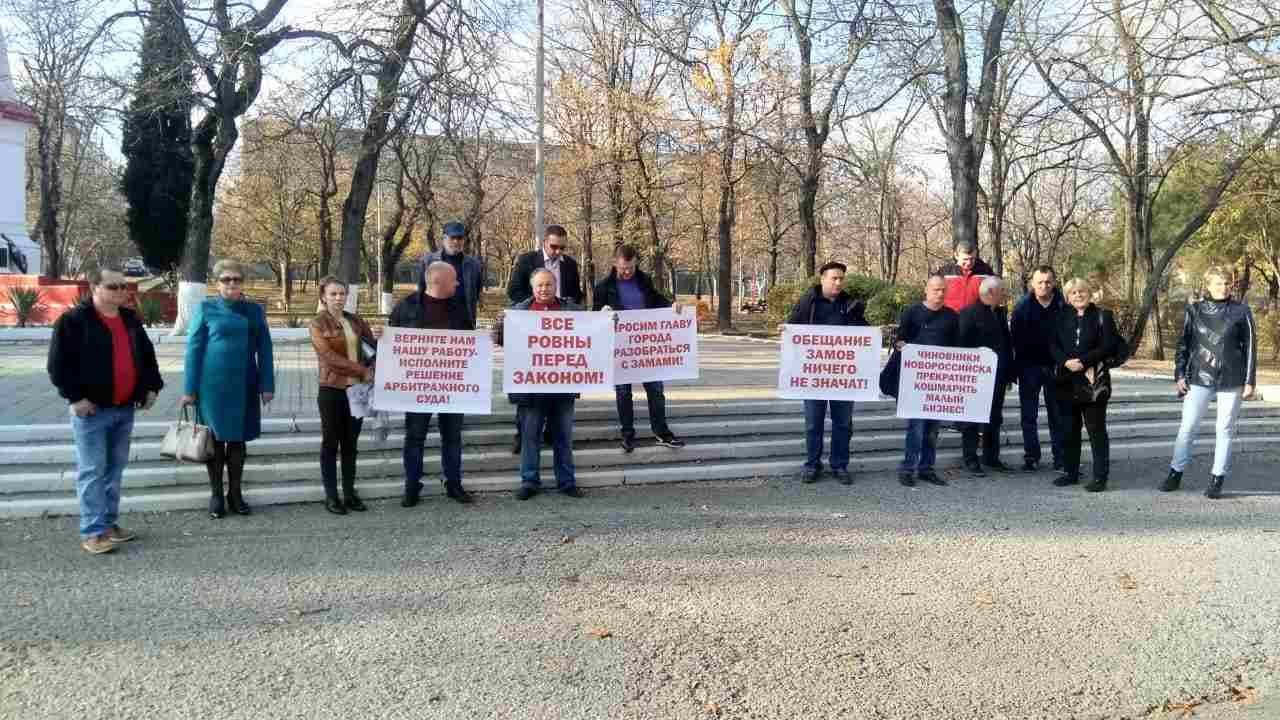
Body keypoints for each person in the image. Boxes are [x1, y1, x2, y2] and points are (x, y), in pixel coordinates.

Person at [48, 266, 163, 554]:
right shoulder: (74, 321)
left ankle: (109, 525)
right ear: (95, 288)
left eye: (124, 286)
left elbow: (147, 357)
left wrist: (152, 388)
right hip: (92, 411)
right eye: (114, 287)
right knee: (92, 471)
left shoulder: (129, 319)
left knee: (114, 470)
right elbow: (58, 365)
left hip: (124, 408)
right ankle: (93, 531)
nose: (122, 291)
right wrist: (75, 398)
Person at [181, 259, 275, 519]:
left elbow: (265, 349)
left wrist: (267, 384)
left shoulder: (254, 311)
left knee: (237, 441)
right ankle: (216, 495)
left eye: (236, 279)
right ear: (216, 282)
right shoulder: (205, 308)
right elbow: (193, 351)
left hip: (245, 384)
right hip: (212, 387)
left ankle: (235, 493)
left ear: (242, 282)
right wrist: (189, 389)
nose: (231, 284)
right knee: (215, 442)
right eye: (226, 279)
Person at [494, 268, 591, 500]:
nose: (544, 289)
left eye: (548, 284)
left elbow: (594, 331)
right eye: (540, 285)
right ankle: (529, 481)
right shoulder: (518, 312)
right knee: (530, 437)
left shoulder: (571, 310)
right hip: (530, 389)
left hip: (563, 386)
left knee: (563, 438)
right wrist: (500, 324)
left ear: (555, 285)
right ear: (532, 287)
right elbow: (501, 341)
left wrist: (608, 318)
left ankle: (566, 482)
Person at [1161, 266, 1257, 499]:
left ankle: (1217, 478)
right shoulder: (1194, 310)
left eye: (1226, 283)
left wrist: (1249, 380)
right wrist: (1180, 374)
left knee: (1224, 429)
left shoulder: (1242, 311)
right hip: (1199, 376)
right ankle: (1175, 472)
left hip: (1232, 377)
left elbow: (1251, 348)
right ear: (1207, 285)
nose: (1222, 287)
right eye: (1217, 283)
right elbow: (1183, 344)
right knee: (1188, 427)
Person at [387, 261, 475, 506]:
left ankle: (454, 484)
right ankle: (412, 486)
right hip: (417, 387)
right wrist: (383, 338)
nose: (458, 283)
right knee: (414, 437)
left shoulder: (459, 308)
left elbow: (470, 344)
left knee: (453, 437)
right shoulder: (406, 307)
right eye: (454, 279)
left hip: (452, 387)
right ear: (438, 281)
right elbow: (393, 342)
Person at [592, 244, 686, 452]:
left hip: (646, 346)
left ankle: (662, 432)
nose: (627, 272)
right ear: (615, 263)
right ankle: (627, 434)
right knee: (623, 393)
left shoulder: (644, 279)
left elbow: (655, 298)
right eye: (624, 268)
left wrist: (671, 305)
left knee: (656, 390)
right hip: (620, 348)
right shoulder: (603, 287)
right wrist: (603, 312)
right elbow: (595, 316)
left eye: (631, 268)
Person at [787, 261, 867, 485]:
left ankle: (839, 465)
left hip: (843, 377)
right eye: (834, 278)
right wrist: (784, 331)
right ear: (822, 279)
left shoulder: (851, 304)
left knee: (843, 424)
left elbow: (863, 333)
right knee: (814, 423)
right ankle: (812, 465)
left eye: (841, 278)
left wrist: (874, 334)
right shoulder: (807, 303)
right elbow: (792, 328)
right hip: (815, 377)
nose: (838, 282)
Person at [506, 224, 583, 454]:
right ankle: (523, 434)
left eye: (562, 247)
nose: (558, 252)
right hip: (532, 329)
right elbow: (514, 290)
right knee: (529, 386)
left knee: (559, 381)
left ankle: (553, 433)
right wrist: (535, 305)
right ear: (544, 243)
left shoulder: (569, 264)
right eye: (554, 247)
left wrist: (568, 304)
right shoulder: (527, 259)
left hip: (560, 332)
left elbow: (577, 293)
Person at [309, 276, 377, 515]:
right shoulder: (317, 324)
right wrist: (361, 370)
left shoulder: (356, 321)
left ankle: (349, 493)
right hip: (331, 390)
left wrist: (377, 359)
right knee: (330, 443)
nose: (338, 298)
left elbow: (372, 348)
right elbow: (329, 357)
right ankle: (331, 496)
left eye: (342, 293)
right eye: (333, 294)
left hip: (356, 391)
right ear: (323, 297)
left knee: (350, 444)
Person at [1050, 278, 1120, 492]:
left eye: (1082, 291)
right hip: (1067, 381)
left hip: (1092, 381)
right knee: (1069, 430)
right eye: (1073, 293)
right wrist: (1065, 362)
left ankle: (1100, 477)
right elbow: (1052, 344)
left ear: (1089, 293)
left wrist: (1084, 361)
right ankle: (1071, 472)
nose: (1078, 295)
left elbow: (1109, 345)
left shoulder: (1103, 316)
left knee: (1096, 431)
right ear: (1068, 297)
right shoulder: (1060, 316)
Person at [893, 273, 959, 487]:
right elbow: (900, 339)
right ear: (926, 290)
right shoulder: (912, 312)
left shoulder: (951, 316)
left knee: (932, 429)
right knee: (916, 427)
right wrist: (901, 345)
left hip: (939, 382)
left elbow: (957, 347)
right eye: (935, 289)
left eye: (943, 290)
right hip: (916, 382)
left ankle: (926, 468)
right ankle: (908, 468)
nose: (939, 294)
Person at [1010, 265, 1067, 472]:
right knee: (1028, 416)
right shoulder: (1022, 307)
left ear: (1054, 283)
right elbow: (1014, 339)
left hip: (1056, 368)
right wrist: (1016, 368)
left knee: (1057, 415)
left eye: (1048, 282)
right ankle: (1031, 457)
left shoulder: (1063, 305)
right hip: (1029, 368)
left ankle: (1060, 458)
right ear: (1033, 284)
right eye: (1040, 282)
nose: (1044, 285)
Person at [957, 276, 1014, 475]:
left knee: (994, 418)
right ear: (991, 293)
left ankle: (991, 457)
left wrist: (1009, 374)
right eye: (1002, 291)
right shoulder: (968, 314)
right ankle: (970, 458)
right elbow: (961, 346)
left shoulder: (998, 313)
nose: (1004, 294)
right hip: (976, 377)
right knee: (971, 418)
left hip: (998, 377)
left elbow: (1005, 345)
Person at [422, 221, 483, 328]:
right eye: (452, 238)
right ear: (444, 239)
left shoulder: (474, 264)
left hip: (464, 322)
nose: (456, 241)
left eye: (459, 238)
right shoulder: (428, 261)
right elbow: (421, 290)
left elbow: (476, 291)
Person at [938, 240, 997, 313]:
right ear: (956, 255)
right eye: (965, 259)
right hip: (951, 320)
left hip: (978, 320)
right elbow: (934, 297)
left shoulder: (986, 271)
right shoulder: (944, 273)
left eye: (972, 259)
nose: (968, 263)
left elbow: (996, 295)